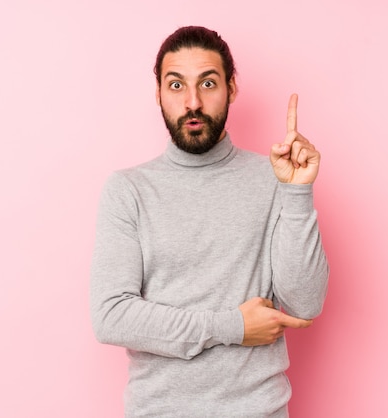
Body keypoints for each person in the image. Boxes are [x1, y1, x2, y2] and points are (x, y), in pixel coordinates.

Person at [90, 26, 329, 417]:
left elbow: (304, 304)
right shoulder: (128, 190)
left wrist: (297, 192)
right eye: (176, 85)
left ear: (232, 89)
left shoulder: (274, 177)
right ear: (158, 95)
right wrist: (232, 326)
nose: (193, 102)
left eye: (208, 82)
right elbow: (111, 317)